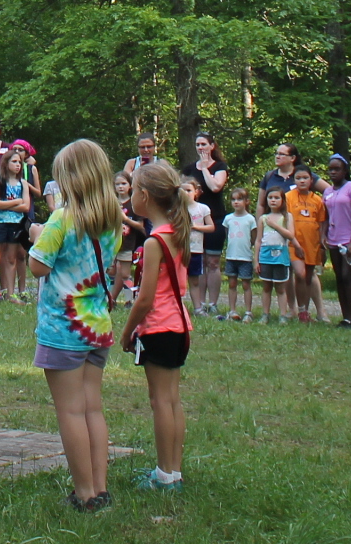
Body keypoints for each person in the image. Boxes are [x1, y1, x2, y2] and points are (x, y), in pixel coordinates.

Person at [30, 137, 128, 509]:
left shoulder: (62, 219)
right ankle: (100, 487)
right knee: (92, 409)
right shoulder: (112, 219)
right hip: (97, 326)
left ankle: (84, 492)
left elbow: (38, 266)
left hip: (63, 329)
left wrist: (37, 235)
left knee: (70, 411)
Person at [118, 158, 193, 494]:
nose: (130, 195)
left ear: (145, 196)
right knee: (172, 400)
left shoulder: (153, 242)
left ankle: (164, 475)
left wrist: (126, 332)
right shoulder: (177, 233)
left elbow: (145, 298)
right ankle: (173, 471)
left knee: (160, 401)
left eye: (133, 189)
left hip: (158, 328)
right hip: (179, 327)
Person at [321, 156, 351, 328]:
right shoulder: (327, 191)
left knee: (348, 276)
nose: (333, 172)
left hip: (349, 239)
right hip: (333, 238)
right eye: (330, 169)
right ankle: (345, 317)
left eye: (337, 169)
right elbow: (326, 216)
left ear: (345, 171)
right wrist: (323, 235)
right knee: (339, 277)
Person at [0, 146, 34, 302]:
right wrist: (16, 202)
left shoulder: (23, 183)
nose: (18, 165)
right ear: (6, 163)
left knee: (11, 258)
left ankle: (11, 293)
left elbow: (26, 207)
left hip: (16, 223)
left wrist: (5, 205)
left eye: (19, 162)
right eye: (14, 162)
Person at [285, 166, 326, 323]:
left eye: (305, 178)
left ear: (311, 180)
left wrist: (322, 241)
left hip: (312, 243)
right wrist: (294, 243)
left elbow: (321, 222)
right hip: (294, 242)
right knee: (300, 273)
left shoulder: (317, 200)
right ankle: (300, 309)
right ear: (294, 180)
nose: (302, 181)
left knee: (308, 277)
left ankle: (304, 312)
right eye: (298, 178)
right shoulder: (288, 197)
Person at [254, 185, 292, 323]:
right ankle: (265, 314)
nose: (273, 200)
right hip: (265, 257)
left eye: (276, 197)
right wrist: (256, 260)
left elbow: (290, 235)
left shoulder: (287, 217)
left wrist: (275, 226)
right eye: (270, 197)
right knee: (266, 286)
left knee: (280, 287)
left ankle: (283, 315)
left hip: (281, 257)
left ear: (282, 200)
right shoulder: (263, 219)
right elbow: (258, 240)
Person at [221, 187, 256, 320]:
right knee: (232, 284)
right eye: (233, 199)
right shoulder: (228, 219)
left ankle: (248, 312)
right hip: (231, 256)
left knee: (246, 284)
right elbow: (227, 235)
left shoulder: (250, 219)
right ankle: (232, 310)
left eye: (239, 199)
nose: (236, 202)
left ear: (246, 201)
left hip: (245, 257)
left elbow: (253, 238)